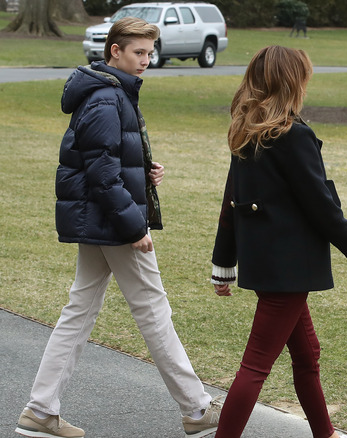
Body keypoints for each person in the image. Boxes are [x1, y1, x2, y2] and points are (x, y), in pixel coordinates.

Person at [15, 17, 222, 438]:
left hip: (102, 219)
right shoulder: (106, 99)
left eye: (150, 52)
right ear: (115, 51)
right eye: (139, 52)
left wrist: (145, 172)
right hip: (113, 222)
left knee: (79, 311)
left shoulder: (110, 93)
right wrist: (133, 227)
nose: (147, 60)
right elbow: (102, 175)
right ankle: (197, 408)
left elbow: (110, 163)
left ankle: (40, 410)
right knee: (153, 310)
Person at [209, 45, 347, 438]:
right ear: (293, 83)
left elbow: (230, 203)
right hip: (289, 269)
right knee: (255, 366)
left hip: (271, 266)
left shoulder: (247, 131)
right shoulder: (293, 136)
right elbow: (321, 206)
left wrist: (224, 265)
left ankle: (327, 434)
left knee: (308, 356)